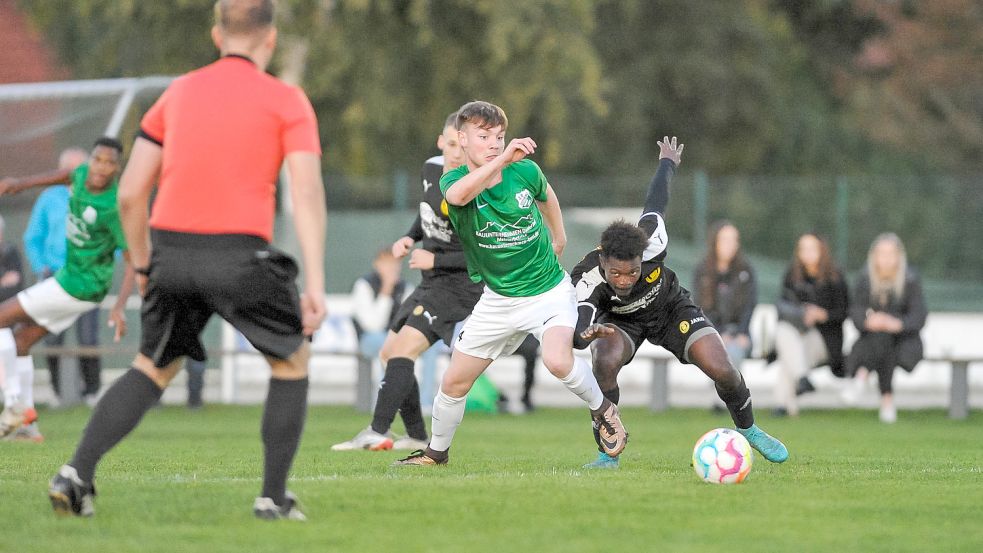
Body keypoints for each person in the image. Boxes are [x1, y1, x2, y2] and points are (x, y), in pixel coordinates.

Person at [47, 0, 327, 520]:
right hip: (240, 255)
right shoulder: (287, 100)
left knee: (151, 367)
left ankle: (76, 474)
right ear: (269, 40)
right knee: (292, 361)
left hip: (171, 252)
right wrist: (315, 279)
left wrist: (146, 265)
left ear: (216, 35)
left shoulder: (176, 94)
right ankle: (272, 497)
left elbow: (132, 193)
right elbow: (306, 193)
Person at [393, 100, 627, 467]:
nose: (494, 143)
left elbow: (546, 194)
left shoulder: (524, 171)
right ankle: (436, 454)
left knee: (556, 360)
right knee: (454, 383)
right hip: (498, 300)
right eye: (483, 136)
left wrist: (559, 236)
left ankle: (604, 410)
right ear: (462, 139)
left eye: (499, 137)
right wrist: (502, 160)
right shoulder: (452, 181)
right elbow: (457, 197)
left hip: (547, 292)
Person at [572, 137, 787, 469]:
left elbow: (655, 202)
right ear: (603, 263)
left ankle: (749, 429)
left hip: (671, 309)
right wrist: (588, 333)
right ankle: (607, 453)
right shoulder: (587, 276)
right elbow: (578, 330)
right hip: (620, 323)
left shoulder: (652, 240)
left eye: (633, 272)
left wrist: (667, 163)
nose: (626, 280)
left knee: (723, 369)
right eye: (616, 273)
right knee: (604, 361)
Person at [332, 112, 484, 452]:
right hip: (431, 282)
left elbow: (485, 252)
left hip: (460, 287)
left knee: (403, 350)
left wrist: (437, 259)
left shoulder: (475, 186)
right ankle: (416, 435)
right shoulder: (431, 169)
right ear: (441, 141)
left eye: (462, 144)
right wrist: (409, 237)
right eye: (450, 143)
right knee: (390, 353)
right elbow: (426, 213)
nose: (456, 151)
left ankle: (376, 429)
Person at [0, 138, 134, 443]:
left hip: (77, 285)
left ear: (117, 168)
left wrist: (119, 306)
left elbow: (132, 260)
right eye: (97, 159)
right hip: (72, 282)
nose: (100, 167)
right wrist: (18, 184)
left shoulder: (113, 206)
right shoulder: (82, 174)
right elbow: (64, 175)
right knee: (22, 340)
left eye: (108, 162)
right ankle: (26, 426)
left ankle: (13, 405)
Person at [23, 147, 104, 407]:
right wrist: (41, 267)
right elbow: (32, 238)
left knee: (89, 337)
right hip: (54, 280)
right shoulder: (49, 198)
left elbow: (112, 239)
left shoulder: (99, 198)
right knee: (52, 337)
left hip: (87, 280)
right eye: (71, 170)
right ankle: (57, 393)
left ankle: (92, 391)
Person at [841, 233, 926, 423]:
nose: (886, 259)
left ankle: (862, 376)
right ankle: (887, 401)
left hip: (905, 341)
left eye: (891, 254)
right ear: (874, 256)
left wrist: (896, 323)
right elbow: (856, 312)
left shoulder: (910, 279)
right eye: (882, 254)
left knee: (885, 338)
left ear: (899, 256)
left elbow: (919, 316)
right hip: (874, 340)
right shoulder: (865, 279)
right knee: (881, 338)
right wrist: (868, 321)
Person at [773, 232, 849, 417]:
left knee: (790, 355)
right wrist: (802, 315)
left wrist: (823, 315)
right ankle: (801, 381)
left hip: (825, 338)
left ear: (822, 251)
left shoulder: (835, 278)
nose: (807, 253)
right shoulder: (792, 275)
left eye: (812, 248)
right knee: (784, 332)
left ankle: (783, 405)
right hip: (796, 333)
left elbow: (845, 312)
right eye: (803, 249)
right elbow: (782, 308)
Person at [692, 221, 757, 367]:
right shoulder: (702, 271)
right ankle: (727, 388)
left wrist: (742, 333)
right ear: (715, 241)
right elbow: (700, 307)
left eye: (734, 240)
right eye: (725, 239)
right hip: (710, 331)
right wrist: (719, 332)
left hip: (740, 333)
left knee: (733, 351)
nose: (731, 244)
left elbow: (749, 306)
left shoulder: (746, 270)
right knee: (719, 350)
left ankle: (727, 388)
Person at [349, 248, 411, 374]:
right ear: (377, 265)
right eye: (387, 263)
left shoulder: (405, 288)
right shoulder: (364, 285)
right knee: (383, 342)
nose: (392, 268)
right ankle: (384, 391)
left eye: (395, 264)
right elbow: (374, 326)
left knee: (430, 344)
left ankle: (426, 393)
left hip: (396, 339)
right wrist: (386, 290)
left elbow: (410, 320)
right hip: (368, 340)